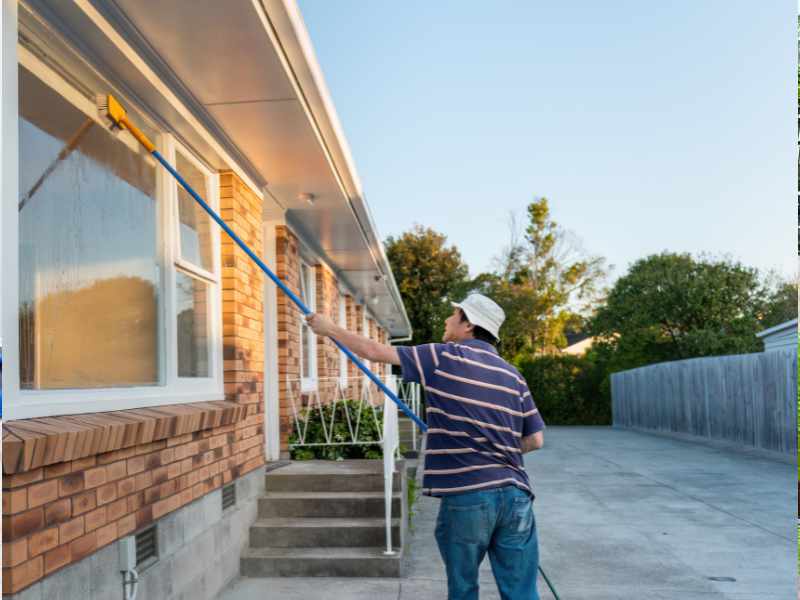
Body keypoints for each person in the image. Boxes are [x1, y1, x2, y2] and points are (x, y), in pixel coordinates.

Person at [306, 292, 545, 600]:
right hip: (517, 499)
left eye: (454, 314)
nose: (447, 320)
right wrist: (495, 450)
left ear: (468, 325)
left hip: (469, 496)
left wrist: (329, 329)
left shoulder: (443, 355)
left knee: (463, 589)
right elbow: (535, 440)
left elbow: (374, 351)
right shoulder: (514, 375)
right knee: (522, 592)